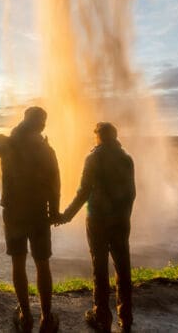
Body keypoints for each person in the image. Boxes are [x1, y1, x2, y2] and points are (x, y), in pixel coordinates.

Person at [0, 107, 61, 332]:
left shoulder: (9, 144)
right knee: (42, 263)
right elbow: (55, 184)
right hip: (38, 212)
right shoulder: (46, 149)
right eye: (43, 121)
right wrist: (54, 211)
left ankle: (25, 316)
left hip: (14, 211)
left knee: (18, 261)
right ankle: (46, 317)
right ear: (39, 124)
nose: (45, 125)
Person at [57, 122, 136, 332]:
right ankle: (126, 318)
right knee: (123, 267)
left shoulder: (93, 157)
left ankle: (102, 318)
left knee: (99, 266)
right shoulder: (126, 159)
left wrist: (66, 215)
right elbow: (131, 193)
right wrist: (124, 216)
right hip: (121, 221)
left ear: (99, 137)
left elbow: (83, 191)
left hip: (98, 219)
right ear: (115, 136)